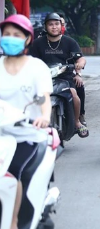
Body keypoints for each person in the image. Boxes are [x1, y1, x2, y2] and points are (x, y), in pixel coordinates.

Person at [0, 15, 52, 229]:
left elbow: (42, 97)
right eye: (6, 34)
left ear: (27, 39)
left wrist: (44, 115)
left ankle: (12, 222)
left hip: (27, 135)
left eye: (16, 35)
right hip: (2, 134)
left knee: (11, 172)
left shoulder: (36, 67)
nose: (10, 38)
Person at [29, 12, 89, 137]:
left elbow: (80, 58)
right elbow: (30, 60)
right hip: (43, 78)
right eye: (51, 24)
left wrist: (79, 65)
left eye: (57, 24)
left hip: (65, 77)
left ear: (61, 26)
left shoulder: (69, 42)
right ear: (45, 26)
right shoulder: (37, 43)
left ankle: (77, 122)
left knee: (75, 96)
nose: (54, 27)